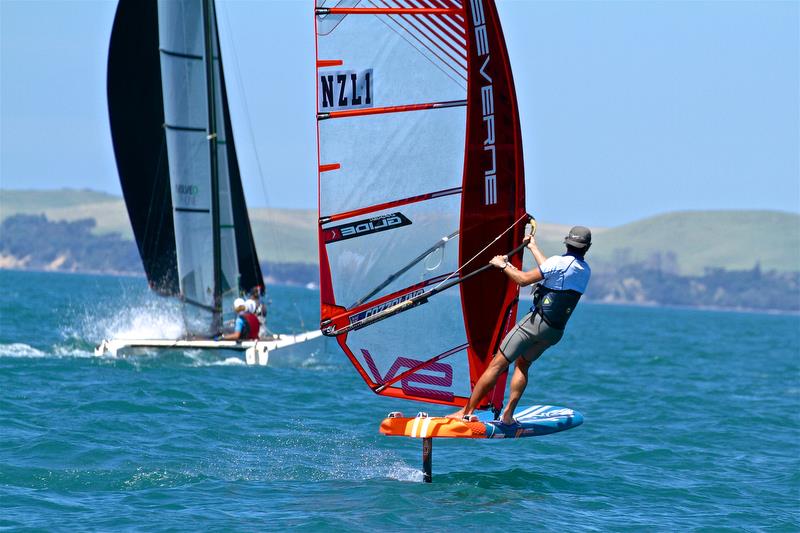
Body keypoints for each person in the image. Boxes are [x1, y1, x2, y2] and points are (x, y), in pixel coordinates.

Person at [448, 225, 592, 424]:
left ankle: (465, 412)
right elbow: (551, 271)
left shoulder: (559, 262)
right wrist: (533, 247)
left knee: (497, 365)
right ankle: (508, 415)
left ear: (566, 242)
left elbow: (524, 280)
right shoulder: (584, 270)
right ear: (587, 247)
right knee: (523, 365)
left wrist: (503, 265)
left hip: (536, 323)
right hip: (554, 331)